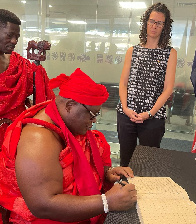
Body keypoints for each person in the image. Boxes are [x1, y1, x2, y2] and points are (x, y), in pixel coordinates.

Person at [0, 68, 137, 224]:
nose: (94, 122)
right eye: (92, 115)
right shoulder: (38, 139)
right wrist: (107, 202)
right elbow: (43, 205)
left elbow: (79, 169)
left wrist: (106, 174)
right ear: (70, 105)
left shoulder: (63, 119)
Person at [117, 2, 177, 166]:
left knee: (148, 164)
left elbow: (168, 88)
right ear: (146, 23)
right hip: (126, 114)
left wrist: (149, 113)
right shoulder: (132, 51)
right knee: (125, 161)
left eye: (159, 23)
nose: (154, 26)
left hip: (153, 118)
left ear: (164, 27)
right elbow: (123, 83)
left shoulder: (169, 53)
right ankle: (123, 191)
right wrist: (126, 108)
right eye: (151, 21)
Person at [0, 9, 54, 150]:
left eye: (17, 37)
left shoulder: (19, 64)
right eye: (9, 35)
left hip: (17, 133)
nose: (14, 41)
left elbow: (41, 96)